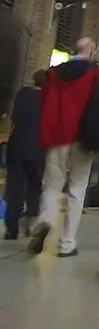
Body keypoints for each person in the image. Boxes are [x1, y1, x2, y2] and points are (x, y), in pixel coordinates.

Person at [28, 38, 99, 258]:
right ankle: (66, 244)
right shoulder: (95, 72)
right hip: (83, 137)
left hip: (57, 136)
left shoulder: (53, 74)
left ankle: (44, 221)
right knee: (77, 189)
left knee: (52, 185)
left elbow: (43, 101)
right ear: (91, 51)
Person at [3, 70, 46, 240]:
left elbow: (14, 118)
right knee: (34, 186)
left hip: (17, 145)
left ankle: (11, 228)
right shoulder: (47, 100)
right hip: (37, 149)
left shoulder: (22, 95)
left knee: (15, 186)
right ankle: (30, 219)